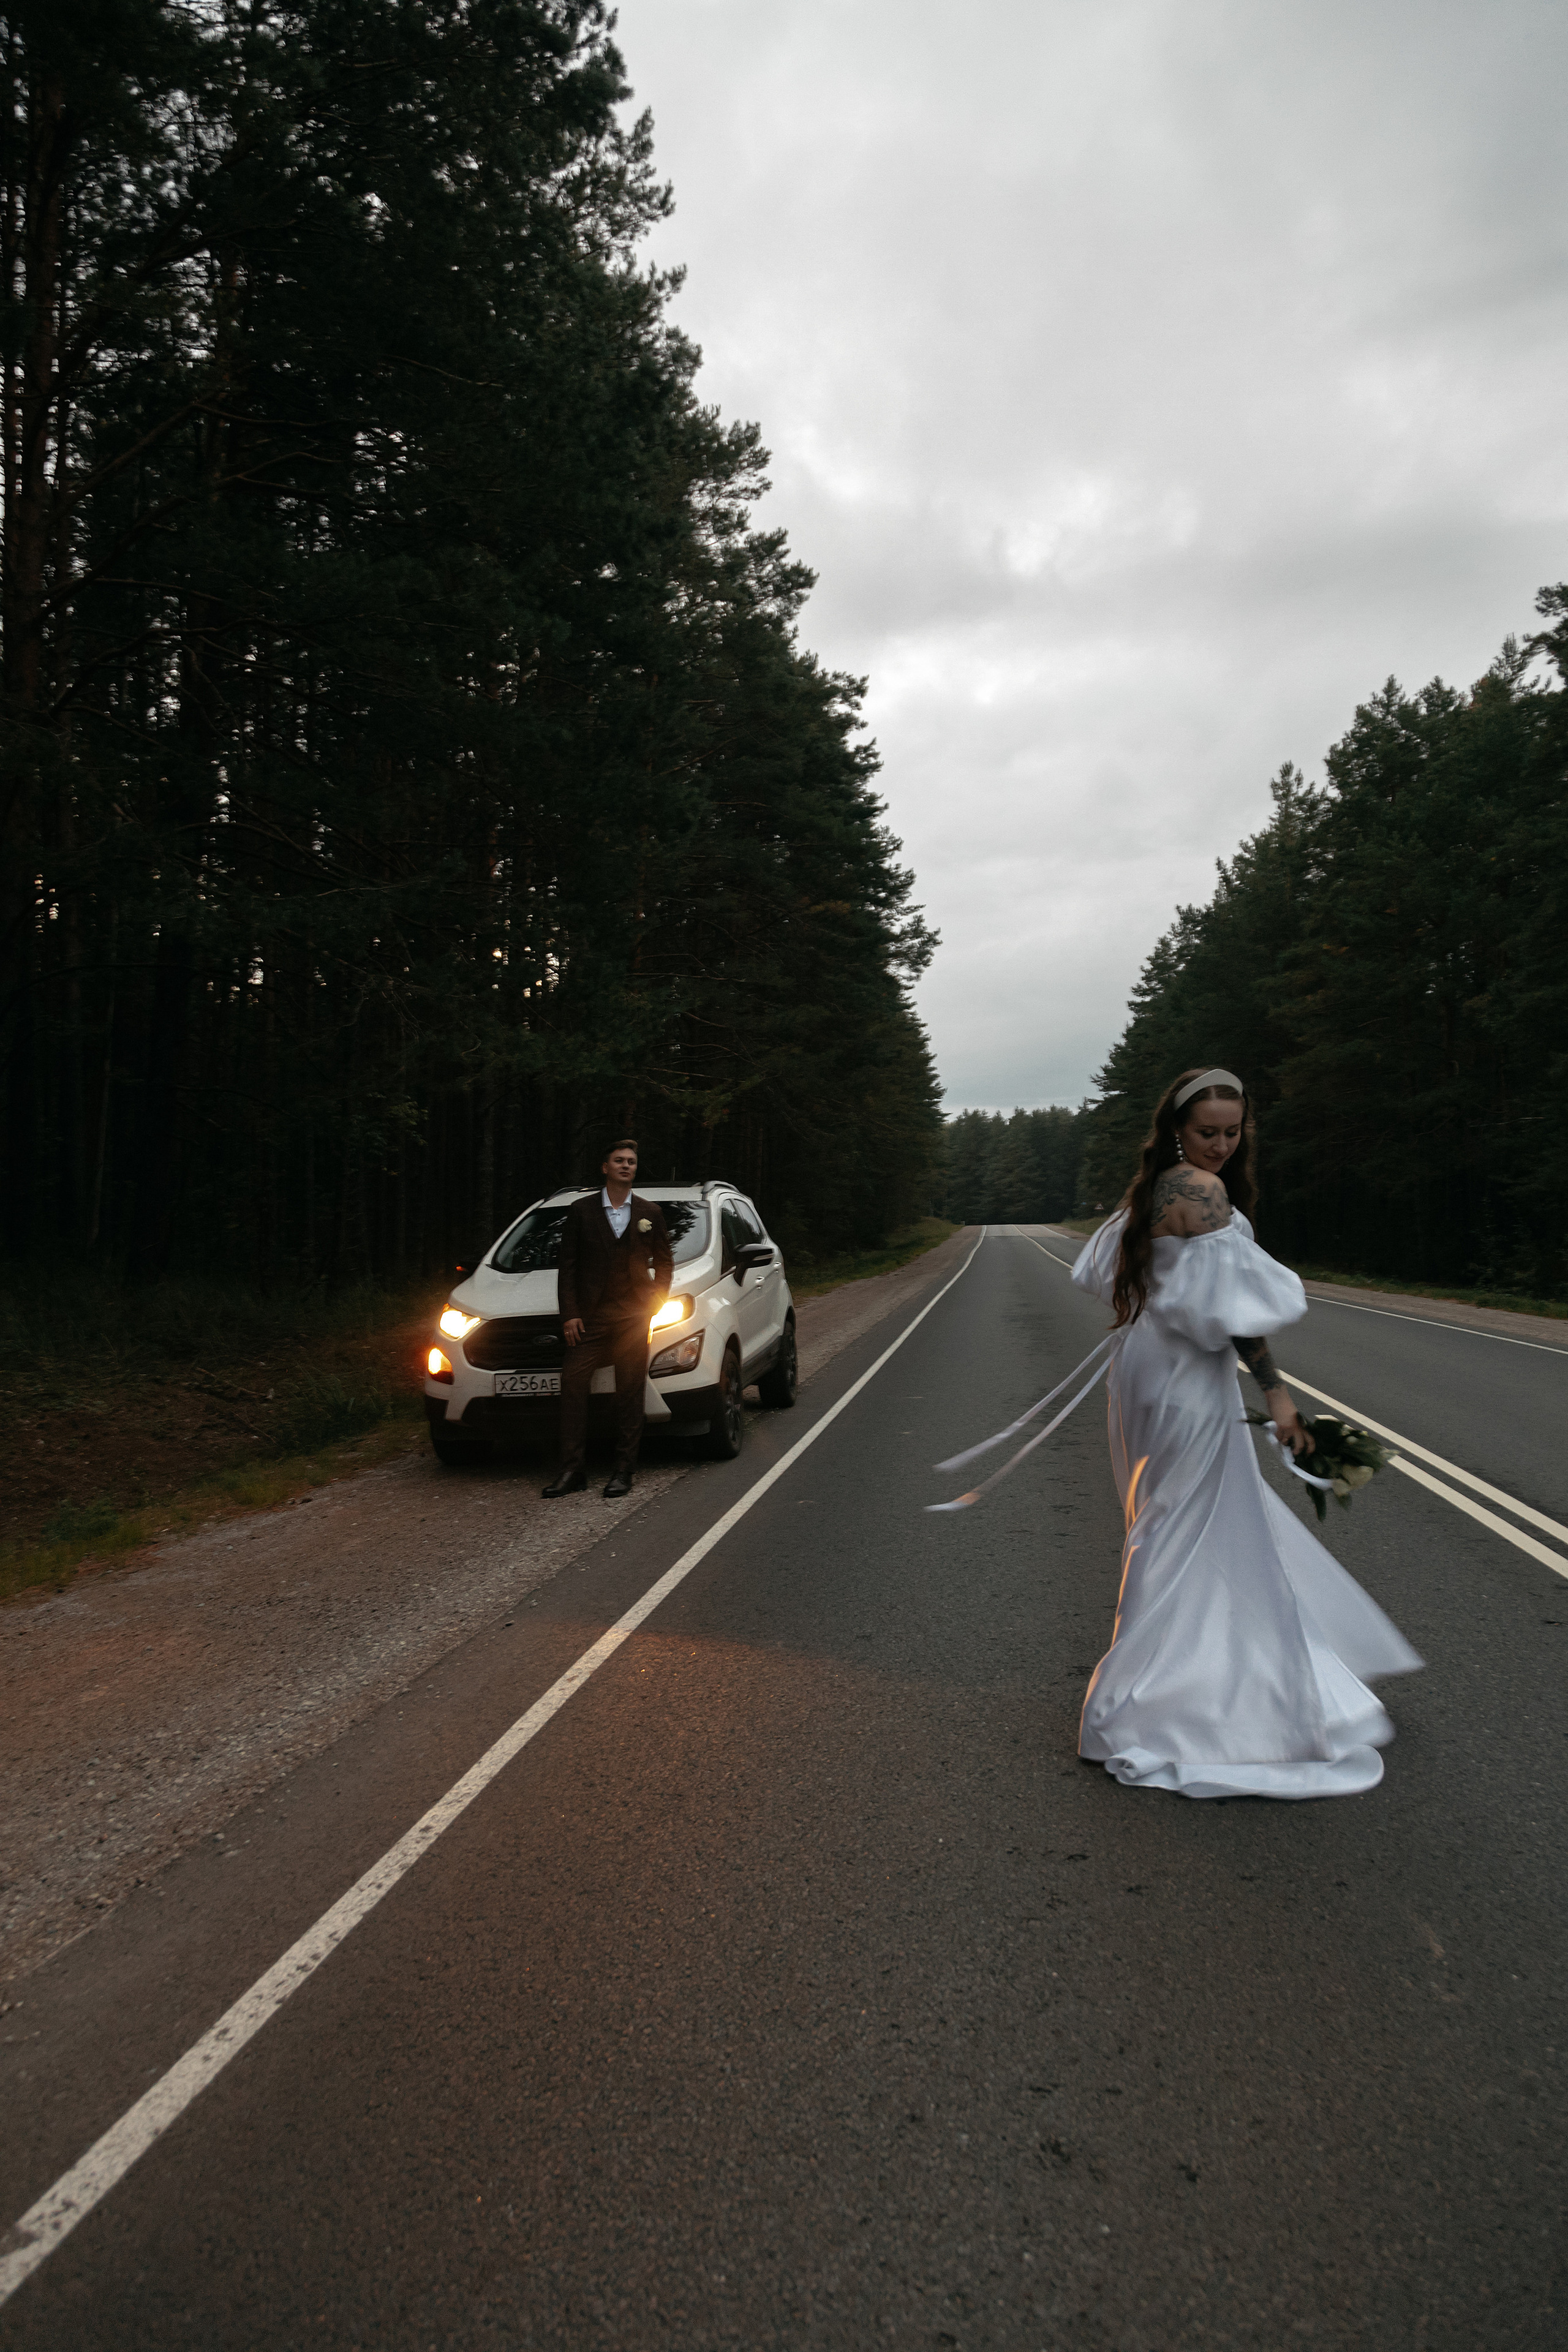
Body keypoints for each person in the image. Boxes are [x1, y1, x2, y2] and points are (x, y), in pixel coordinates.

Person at [1070, 1066, 1422, 1798]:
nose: (1222, 1145)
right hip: (1184, 1384)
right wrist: (1280, 1397)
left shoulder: (1150, 1191)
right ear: (1177, 1128)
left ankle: (1160, 1683)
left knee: (1164, 1522)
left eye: (1233, 1132)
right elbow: (1237, 1317)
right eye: (1208, 1132)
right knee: (1180, 1527)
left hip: (1142, 1373)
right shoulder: (1200, 1192)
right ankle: (1157, 1701)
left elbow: (1125, 1282)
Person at [543, 1138, 673, 1500]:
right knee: (572, 1385)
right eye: (619, 1160)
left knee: (630, 1391)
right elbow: (567, 1267)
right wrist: (570, 1314)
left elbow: (664, 1262)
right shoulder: (582, 1211)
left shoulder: (650, 1212)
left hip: (633, 1317)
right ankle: (572, 1471)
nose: (626, 1166)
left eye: (631, 1161)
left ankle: (623, 1470)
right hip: (592, 1319)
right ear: (605, 1167)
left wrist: (656, 1302)